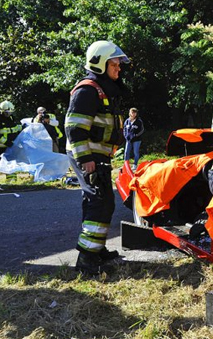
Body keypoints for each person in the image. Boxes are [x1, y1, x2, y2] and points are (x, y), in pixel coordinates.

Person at [65, 40, 129, 275]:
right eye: (115, 63)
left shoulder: (101, 89)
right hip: (88, 156)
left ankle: (97, 249)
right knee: (100, 202)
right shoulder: (87, 90)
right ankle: (87, 259)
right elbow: (74, 128)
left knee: (99, 202)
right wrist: (86, 159)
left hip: (97, 155)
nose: (118, 68)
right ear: (101, 63)